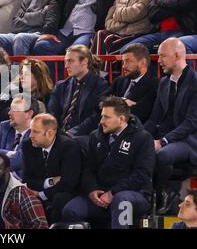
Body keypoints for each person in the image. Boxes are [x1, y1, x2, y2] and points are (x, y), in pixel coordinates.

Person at [62, 96, 155, 229]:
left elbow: (142, 175)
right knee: (70, 210)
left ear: (121, 119)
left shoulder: (143, 138)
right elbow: (89, 169)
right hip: (102, 195)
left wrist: (113, 192)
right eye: (102, 116)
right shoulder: (95, 136)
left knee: (121, 201)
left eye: (106, 117)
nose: (101, 121)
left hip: (135, 195)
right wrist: (92, 190)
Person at [145, 38, 197, 215]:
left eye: (163, 56)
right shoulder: (163, 83)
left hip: (190, 141)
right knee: (139, 148)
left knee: (163, 154)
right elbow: (155, 118)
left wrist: (163, 140)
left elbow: (192, 123)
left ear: (177, 55)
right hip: (170, 137)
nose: (159, 60)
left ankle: (168, 195)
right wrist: (140, 137)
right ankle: (146, 196)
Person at [22, 113, 81, 224]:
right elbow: (27, 179)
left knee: (59, 199)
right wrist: (49, 182)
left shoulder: (68, 147)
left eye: (35, 132)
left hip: (64, 192)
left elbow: (68, 183)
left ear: (50, 133)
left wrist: (41, 194)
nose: (30, 136)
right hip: (43, 188)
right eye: (31, 130)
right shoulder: (28, 146)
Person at [47, 45, 108, 150]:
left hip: (84, 136)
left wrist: (71, 133)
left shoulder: (101, 85)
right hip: (58, 133)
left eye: (70, 61)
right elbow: (52, 112)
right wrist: (55, 132)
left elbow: (97, 116)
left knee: (67, 145)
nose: (66, 66)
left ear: (84, 62)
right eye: (65, 61)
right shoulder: (61, 86)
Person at [0, 94, 41, 179]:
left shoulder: (37, 133)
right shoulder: (5, 127)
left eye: (15, 109)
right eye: (10, 109)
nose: (9, 113)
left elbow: (20, 160)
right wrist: (10, 153)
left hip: (21, 185)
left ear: (29, 114)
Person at [106, 43, 158, 123]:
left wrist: (112, 104)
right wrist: (123, 101)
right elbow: (100, 100)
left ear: (142, 63)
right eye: (123, 62)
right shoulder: (119, 81)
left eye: (128, 61)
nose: (123, 66)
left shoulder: (154, 84)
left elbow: (142, 112)